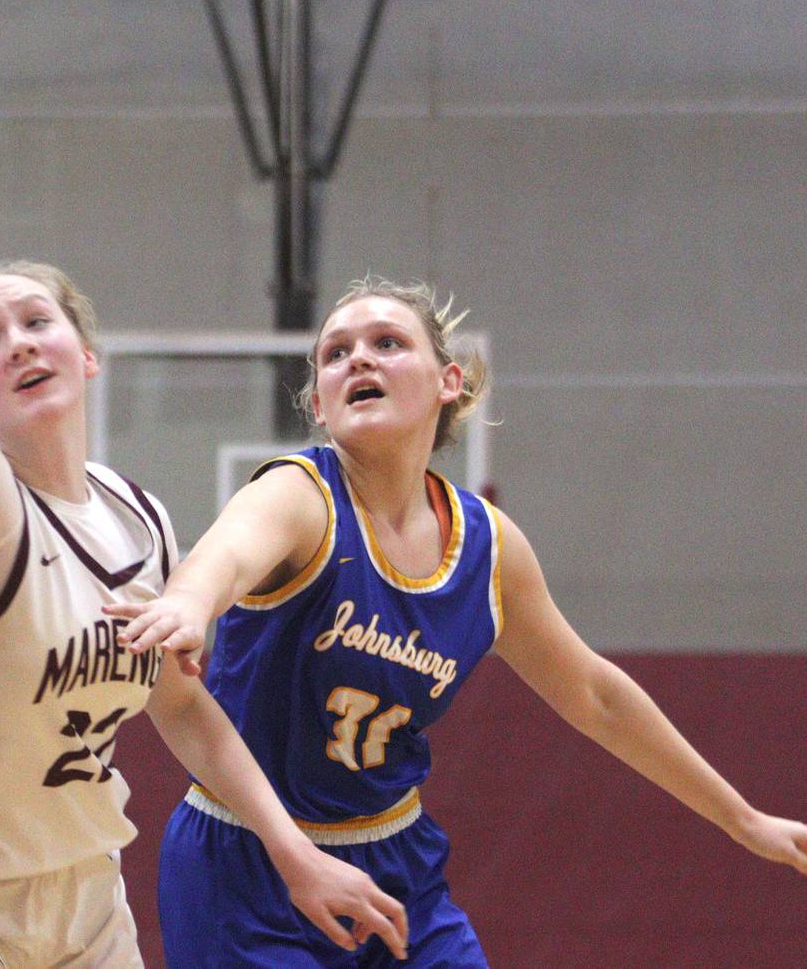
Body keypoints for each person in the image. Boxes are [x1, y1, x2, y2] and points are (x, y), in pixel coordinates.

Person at [0, 0, 411, 968]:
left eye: (38, 321)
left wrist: (294, 852)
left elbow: (182, 705)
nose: (17, 342)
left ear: (87, 354)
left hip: (83, 900)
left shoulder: (136, 515)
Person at [107, 277, 807, 967]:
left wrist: (741, 818)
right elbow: (223, 557)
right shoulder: (300, 494)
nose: (359, 359)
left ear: (449, 381)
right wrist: (186, 605)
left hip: (394, 857)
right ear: (319, 404)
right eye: (336, 352)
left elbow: (594, 695)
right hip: (246, 862)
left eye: (387, 342)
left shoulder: (490, 548)